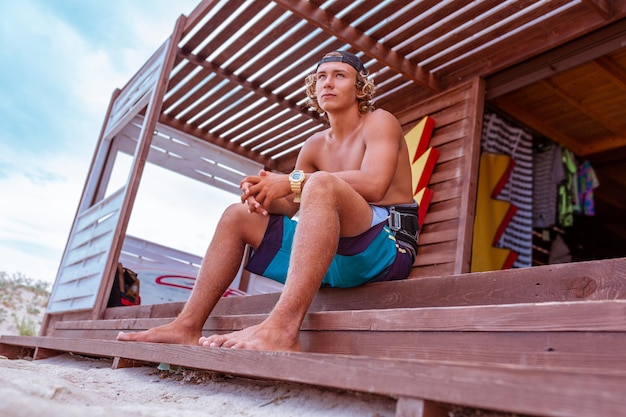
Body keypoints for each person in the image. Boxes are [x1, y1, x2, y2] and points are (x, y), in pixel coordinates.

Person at [117, 51, 419, 352]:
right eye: (322, 77)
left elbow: (374, 183)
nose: (328, 83)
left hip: (385, 250)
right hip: (331, 255)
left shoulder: (380, 121)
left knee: (323, 183)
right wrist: (263, 193)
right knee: (236, 216)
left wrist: (289, 181)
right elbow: (292, 205)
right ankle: (186, 325)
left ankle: (283, 329)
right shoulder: (314, 145)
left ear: (359, 87)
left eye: (340, 75)